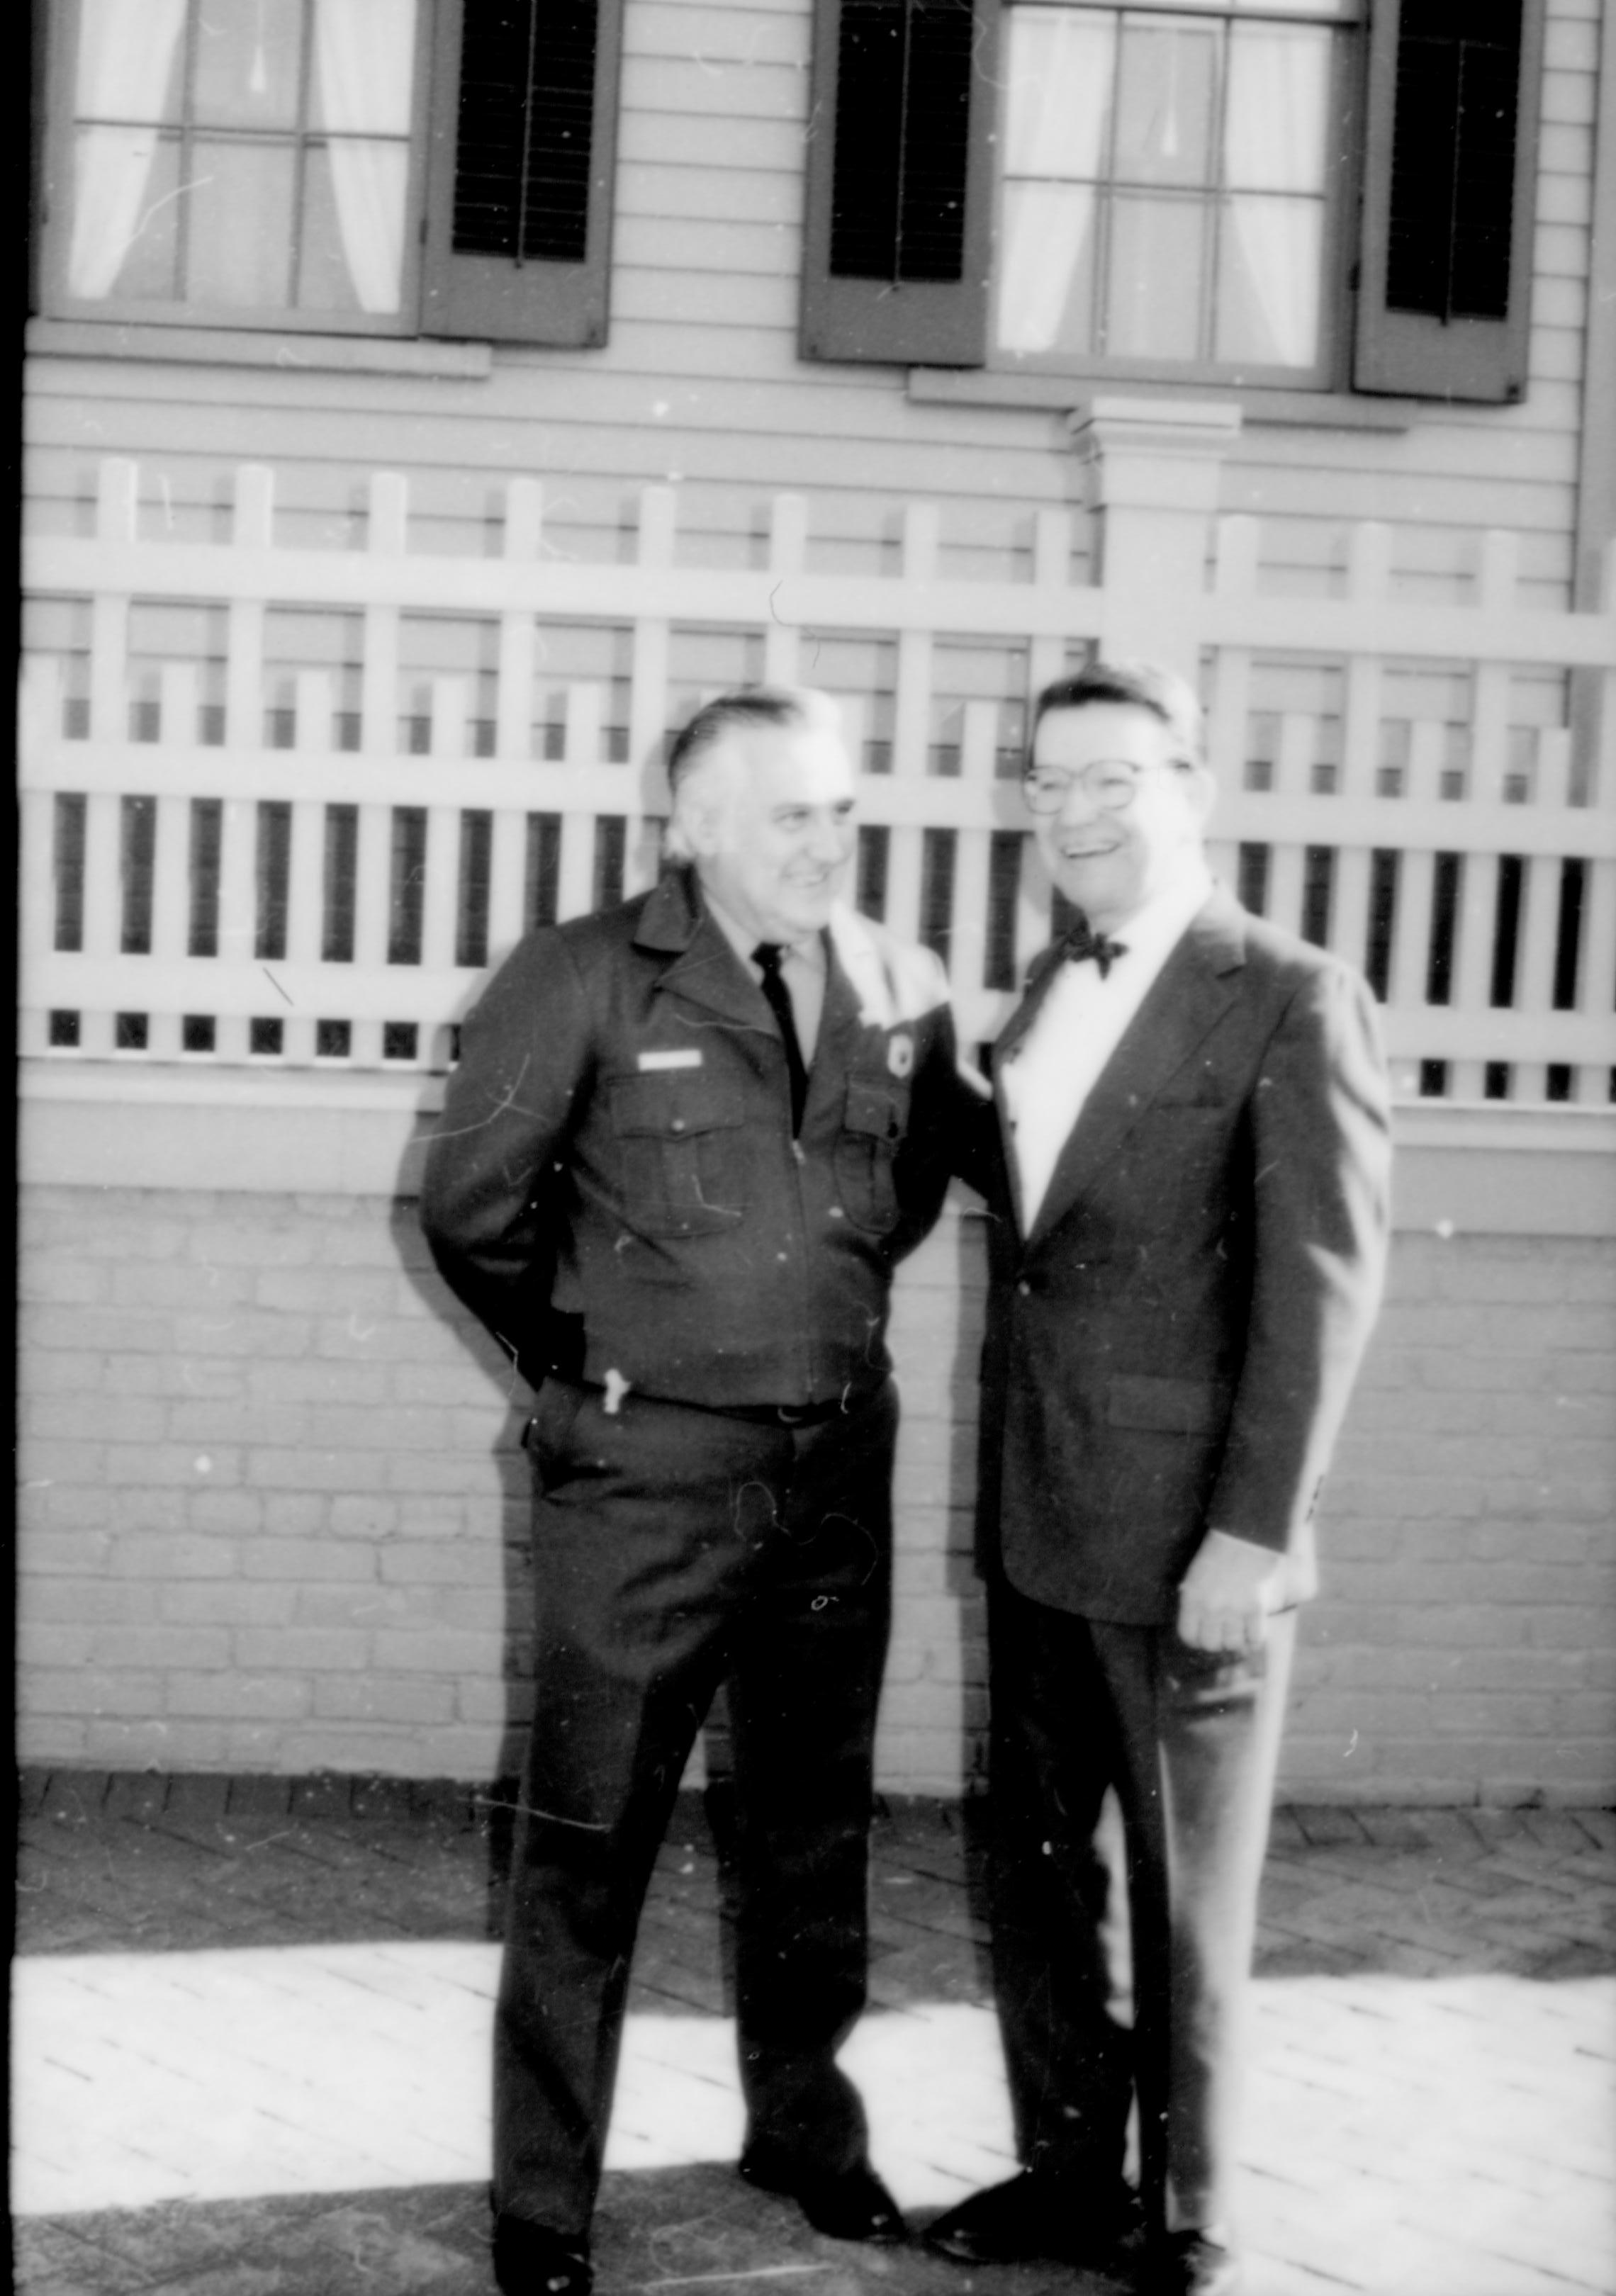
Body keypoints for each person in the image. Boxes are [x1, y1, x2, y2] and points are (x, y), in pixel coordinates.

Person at [420, 686, 973, 2296]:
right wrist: (595, 1356)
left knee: (811, 1827)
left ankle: (805, 2131)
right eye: (791, 811)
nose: (829, 841)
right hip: (647, 1478)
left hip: (831, 1469)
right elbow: (475, 1212)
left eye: (843, 811)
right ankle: (544, 2204)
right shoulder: (582, 974)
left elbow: (902, 1195)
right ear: (693, 825)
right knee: (589, 1843)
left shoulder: (898, 982)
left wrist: (788, 1322)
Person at [925, 663, 1392, 2296]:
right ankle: (1069, 2176)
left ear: (1193, 783)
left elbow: (1319, 1288)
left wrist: (1254, 1534)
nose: (1071, 813)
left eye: (1110, 778)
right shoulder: (1047, 985)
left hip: (1192, 1534)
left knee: (1189, 1892)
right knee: (1043, 1871)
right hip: (1042, 1511)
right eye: (1046, 784)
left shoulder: (1284, 989)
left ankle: (1195, 2212)